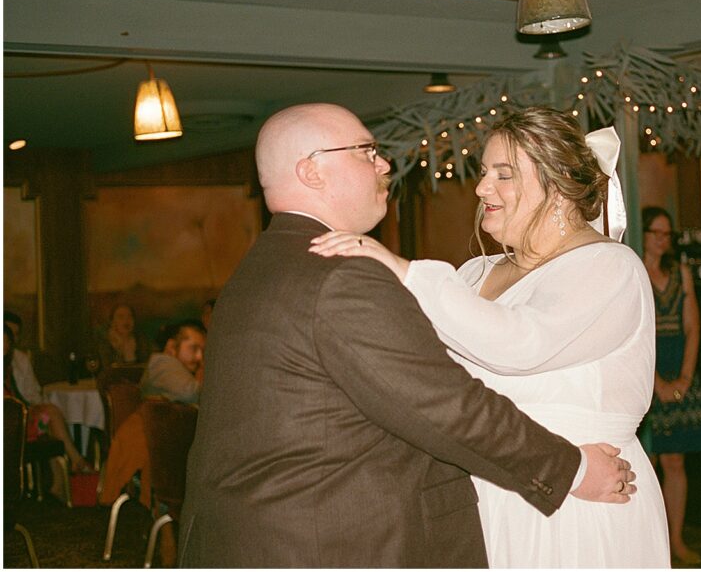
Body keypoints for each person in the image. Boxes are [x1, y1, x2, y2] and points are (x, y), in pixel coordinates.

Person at [178, 103, 637, 568]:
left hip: (561, 511)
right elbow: (443, 404)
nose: (385, 164)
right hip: (325, 540)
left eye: (503, 174)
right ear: (311, 172)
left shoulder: (265, 265)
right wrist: (570, 469)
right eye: (367, 150)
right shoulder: (341, 275)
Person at [311, 107, 671, 567]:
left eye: (504, 175)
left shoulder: (609, 267)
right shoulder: (472, 273)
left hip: (579, 505)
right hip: (481, 497)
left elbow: (520, 346)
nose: (481, 189)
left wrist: (403, 270)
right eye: (484, 174)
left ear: (558, 185)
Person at [638, 206, 701, 565]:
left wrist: (684, 376)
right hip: (644, 366)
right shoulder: (632, 270)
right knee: (645, 462)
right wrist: (655, 384)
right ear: (644, 234)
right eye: (657, 233)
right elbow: (630, 333)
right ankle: (646, 547)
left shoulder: (681, 273)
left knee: (675, 460)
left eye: (668, 234)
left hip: (678, 363)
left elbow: (693, 327)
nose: (663, 240)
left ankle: (676, 540)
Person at [100, 319, 207, 510]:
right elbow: (192, 393)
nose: (199, 356)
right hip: (161, 458)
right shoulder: (162, 363)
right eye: (193, 348)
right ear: (171, 346)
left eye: (203, 351)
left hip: (168, 453)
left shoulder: (181, 368)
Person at [4, 322, 92, 499]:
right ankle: (74, 462)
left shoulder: (12, 363)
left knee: (50, 416)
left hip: (18, 417)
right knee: (51, 415)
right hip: (10, 425)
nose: (5, 346)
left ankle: (62, 479)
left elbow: (27, 392)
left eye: (7, 342)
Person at [93, 303, 153, 369]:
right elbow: (108, 368)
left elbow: (148, 363)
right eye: (120, 317)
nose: (126, 320)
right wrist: (119, 349)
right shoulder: (105, 342)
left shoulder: (140, 339)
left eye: (130, 316)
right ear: (112, 322)